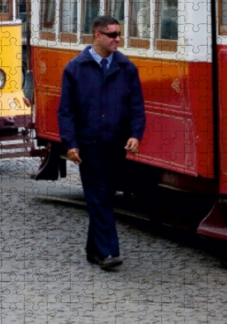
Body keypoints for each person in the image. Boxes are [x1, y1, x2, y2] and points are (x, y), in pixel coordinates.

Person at [57, 15, 146, 270]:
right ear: (97, 35)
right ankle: (109, 252)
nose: (118, 39)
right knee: (98, 197)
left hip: (116, 144)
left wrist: (135, 134)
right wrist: (70, 143)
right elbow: (66, 112)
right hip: (89, 145)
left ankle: (93, 250)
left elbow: (137, 107)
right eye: (112, 35)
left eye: (119, 34)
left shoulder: (126, 68)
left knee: (104, 196)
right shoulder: (75, 68)